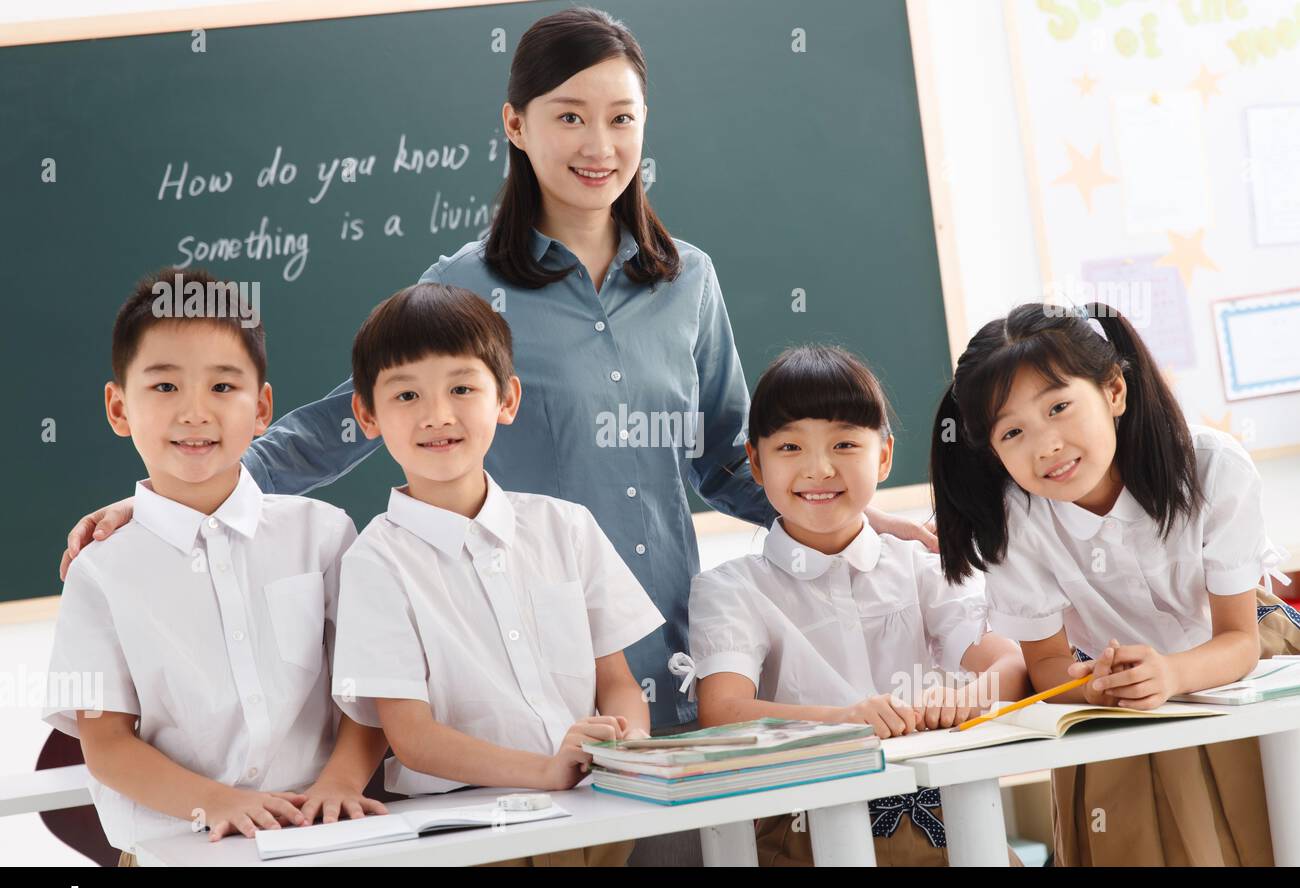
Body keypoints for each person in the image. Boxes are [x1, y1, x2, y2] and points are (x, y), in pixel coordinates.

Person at [58, 8, 935, 734]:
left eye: (622, 117)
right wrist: (169, 496)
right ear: (515, 125)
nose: (600, 143)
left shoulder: (689, 281)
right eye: (569, 115)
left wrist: (864, 522)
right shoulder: (463, 287)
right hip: (527, 658)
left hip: (674, 643)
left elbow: (731, 464)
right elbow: (343, 421)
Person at [930, 301, 1298, 865]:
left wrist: (1172, 673)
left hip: (1246, 658)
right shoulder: (1014, 522)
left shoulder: (1211, 467)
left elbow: (1239, 640)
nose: (1045, 445)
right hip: (1121, 688)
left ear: (1114, 392)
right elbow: (1049, 666)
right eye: (1013, 432)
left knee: (1268, 828)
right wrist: (1095, 689)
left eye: (1059, 407)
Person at [43, 268, 388, 866]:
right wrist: (216, 802)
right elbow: (105, 746)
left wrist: (339, 783)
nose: (195, 412)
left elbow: (370, 692)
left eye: (223, 388)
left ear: (262, 409)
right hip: (175, 853)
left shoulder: (325, 535)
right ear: (119, 408)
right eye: (165, 387)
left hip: (322, 841)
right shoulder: (99, 572)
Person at [331, 282, 664, 866]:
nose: (437, 415)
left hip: (595, 812)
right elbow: (412, 737)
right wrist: (545, 771)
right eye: (406, 396)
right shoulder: (375, 562)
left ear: (506, 399)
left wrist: (628, 744)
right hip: (470, 833)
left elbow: (616, 684)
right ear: (367, 414)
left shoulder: (568, 527)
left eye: (462, 388)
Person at [688, 346, 1027, 866]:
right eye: (790, 448)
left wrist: (969, 698)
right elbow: (723, 713)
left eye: (845, 443)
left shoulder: (921, 564)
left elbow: (1009, 664)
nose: (819, 468)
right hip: (806, 837)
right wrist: (847, 720)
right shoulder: (731, 588)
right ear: (754, 462)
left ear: (885, 456)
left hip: (948, 826)